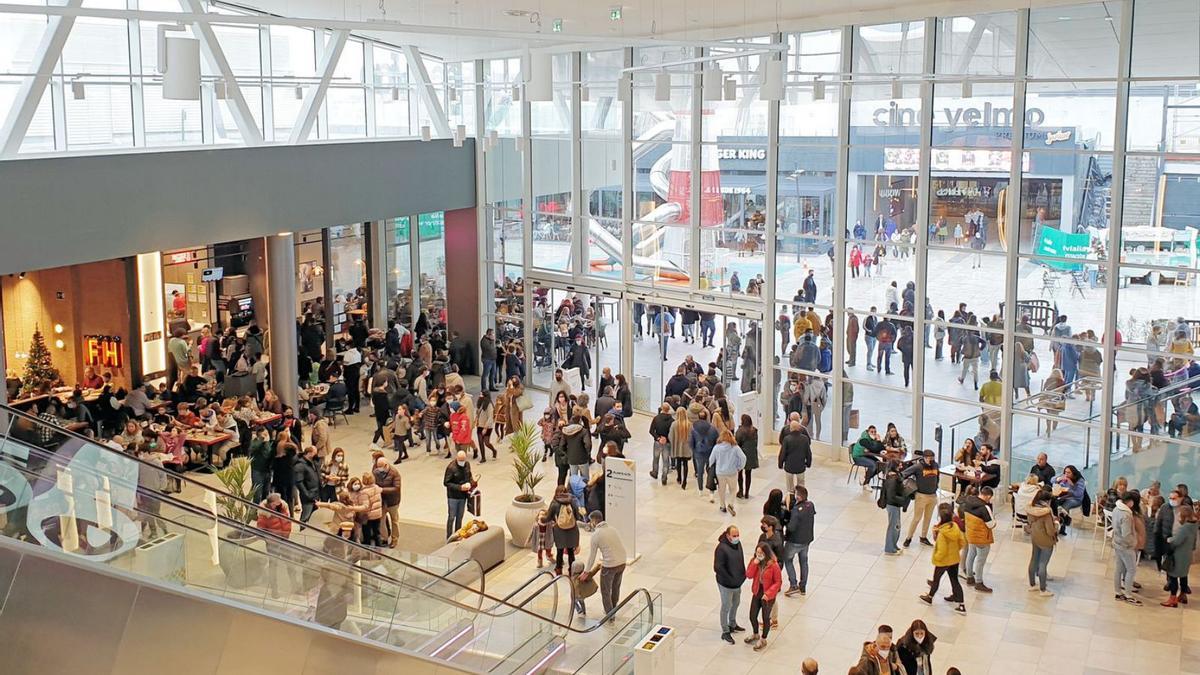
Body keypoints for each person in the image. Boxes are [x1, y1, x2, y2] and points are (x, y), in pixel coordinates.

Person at [919, 502, 967, 614]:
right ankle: (961, 604)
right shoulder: (955, 526)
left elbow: (942, 550)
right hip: (954, 559)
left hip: (944, 561)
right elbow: (962, 542)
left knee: (936, 579)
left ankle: (930, 597)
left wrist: (937, 558)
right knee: (955, 580)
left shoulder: (942, 533)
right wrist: (955, 551)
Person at [580, 511, 627, 617]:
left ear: (593, 520)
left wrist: (586, 572)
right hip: (622, 562)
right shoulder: (613, 529)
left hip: (610, 565)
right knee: (616, 587)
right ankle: (613, 608)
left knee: (605, 590)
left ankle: (609, 615)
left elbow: (592, 556)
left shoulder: (596, 535)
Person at [743, 541, 781, 651]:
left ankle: (763, 639)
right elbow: (749, 575)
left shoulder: (773, 565)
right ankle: (755, 634)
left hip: (767, 595)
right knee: (752, 615)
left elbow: (778, 582)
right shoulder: (755, 561)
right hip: (757, 591)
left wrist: (768, 594)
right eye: (757, 552)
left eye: (760, 553)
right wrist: (754, 563)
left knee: (765, 618)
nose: (758, 554)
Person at [714, 525, 746, 645]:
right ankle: (725, 630)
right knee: (726, 605)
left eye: (737, 535)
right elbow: (718, 567)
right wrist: (730, 578)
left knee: (736, 603)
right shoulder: (721, 549)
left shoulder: (738, 544)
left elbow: (741, 559)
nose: (736, 538)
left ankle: (732, 623)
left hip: (737, 582)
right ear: (728, 536)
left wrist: (743, 574)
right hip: (726, 583)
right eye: (734, 536)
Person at [902, 450, 940, 548]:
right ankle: (908, 538)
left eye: (932, 458)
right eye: (928, 458)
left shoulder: (936, 465)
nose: (930, 460)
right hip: (921, 496)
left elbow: (937, 477)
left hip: (933, 496)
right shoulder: (918, 466)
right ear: (924, 458)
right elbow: (904, 473)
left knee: (928, 518)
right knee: (917, 518)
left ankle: (923, 537)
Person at [962, 486, 996, 592]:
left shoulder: (968, 501)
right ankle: (979, 582)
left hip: (970, 534)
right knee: (980, 561)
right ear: (988, 496)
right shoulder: (984, 508)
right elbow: (991, 524)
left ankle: (969, 577)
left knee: (971, 555)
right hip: (981, 538)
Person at [1161, 504, 1197, 607]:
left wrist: (1169, 540)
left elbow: (1176, 542)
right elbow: (1194, 542)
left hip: (1178, 556)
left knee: (1173, 577)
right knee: (1183, 576)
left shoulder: (1184, 528)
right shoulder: (1194, 526)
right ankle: (1183, 595)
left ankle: (1172, 599)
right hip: (1187, 555)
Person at [782, 485, 815, 596]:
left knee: (788, 560)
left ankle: (793, 584)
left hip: (794, 540)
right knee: (804, 562)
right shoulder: (810, 505)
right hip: (806, 540)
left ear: (798, 497)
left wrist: (786, 520)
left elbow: (791, 527)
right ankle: (803, 586)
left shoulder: (796, 510)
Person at [1111, 490, 1143, 605]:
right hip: (1126, 546)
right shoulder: (1126, 514)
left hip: (1117, 543)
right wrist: (1133, 543)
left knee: (1119, 569)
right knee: (1131, 570)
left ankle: (1118, 592)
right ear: (1131, 502)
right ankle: (1128, 595)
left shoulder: (1116, 509)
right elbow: (1126, 534)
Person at [1026, 488, 1059, 596]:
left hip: (1035, 536)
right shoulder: (1046, 513)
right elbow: (1050, 531)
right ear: (1047, 501)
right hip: (1046, 540)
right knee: (1043, 564)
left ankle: (1032, 585)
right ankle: (1043, 590)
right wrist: (1057, 526)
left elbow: (1030, 522)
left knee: (1034, 560)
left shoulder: (1031, 508)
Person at [710, 429, 746, 515]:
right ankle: (731, 504)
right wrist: (740, 467)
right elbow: (743, 457)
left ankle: (722, 506)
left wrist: (710, 468)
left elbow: (711, 459)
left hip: (720, 472)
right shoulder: (735, 448)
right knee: (733, 490)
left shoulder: (716, 447)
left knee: (721, 490)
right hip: (732, 472)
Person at [547, 484, 581, 576]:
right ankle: (572, 570)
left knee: (560, 551)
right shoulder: (572, 501)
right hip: (572, 529)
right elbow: (577, 516)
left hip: (559, 530)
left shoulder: (554, 503)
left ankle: (558, 570)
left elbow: (548, 517)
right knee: (571, 551)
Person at [373, 456, 402, 548]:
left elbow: (396, 488)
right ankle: (384, 538)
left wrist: (382, 490)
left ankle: (395, 539)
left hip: (393, 501)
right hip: (382, 501)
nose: (379, 469)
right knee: (381, 520)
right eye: (378, 466)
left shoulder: (394, 473)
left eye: (380, 466)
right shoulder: (376, 472)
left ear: (386, 465)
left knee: (394, 520)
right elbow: (373, 482)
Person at [443, 450, 473, 539]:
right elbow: (446, 483)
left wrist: (470, 482)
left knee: (460, 517)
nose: (462, 462)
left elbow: (469, 476)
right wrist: (460, 487)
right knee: (452, 517)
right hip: (453, 497)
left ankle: (457, 535)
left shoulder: (467, 465)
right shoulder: (451, 468)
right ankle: (449, 536)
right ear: (457, 458)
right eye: (461, 460)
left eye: (463, 460)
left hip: (463, 496)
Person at [690, 409, 719, 500]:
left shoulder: (694, 429)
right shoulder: (712, 429)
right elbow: (717, 441)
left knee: (700, 472)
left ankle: (700, 490)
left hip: (699, 453)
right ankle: (711, 491)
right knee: (711, 471)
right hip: (710, 452)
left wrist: (694, 451)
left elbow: (691, 442)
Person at [778, 419, 812, 493]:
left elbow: (782, 453)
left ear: (790, 429)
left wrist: (780, 464)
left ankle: (790, 500)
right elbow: (808, 453)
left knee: (789, 488)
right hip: (801, 466)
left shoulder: (787, 439)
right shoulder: (805, 439)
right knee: (801, 485)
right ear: (799, 428)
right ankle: (801, 499)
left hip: (789, 466)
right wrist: (808, 463)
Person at [1054, 465, 1086, 535]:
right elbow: (1052, 480)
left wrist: (1071, 486)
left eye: (1069, 473)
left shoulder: (1080, 480)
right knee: (1054, 502)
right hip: (1064, 497)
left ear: (1073, 473)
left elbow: (1079, 494)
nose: (1066, 474)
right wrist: (1058, 479)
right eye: (1065, 472)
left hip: (1076, 499)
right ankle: (1061, 522)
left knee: (1065, 506)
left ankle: (1061, 527)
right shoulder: (1064, 476)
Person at [293, 445, 321, 523]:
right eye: (315, 453)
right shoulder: (300, 465)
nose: (316, 455)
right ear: (309, 453)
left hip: (315, 493)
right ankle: (302, 531)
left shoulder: (312, 462)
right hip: (308, 495)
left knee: (313, 516)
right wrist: (307, 494)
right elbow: (299, 482)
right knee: (306, 515)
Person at [735, 414, 759, 499]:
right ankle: (747, 493)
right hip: (751, 455)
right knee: (748, 474)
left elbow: (737, 443)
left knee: (740, 474)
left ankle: (740, 491)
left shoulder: (740, 431)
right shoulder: (754, 431)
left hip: (742, 455)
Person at [669, 407, 693, 489]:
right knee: (685, 464)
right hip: (686, 447)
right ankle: (685, 481)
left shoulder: (674, 424)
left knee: (678, 462)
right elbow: (692, 437)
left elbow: (671, 436)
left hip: (677, 447)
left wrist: (672, 443)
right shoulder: (689, 424)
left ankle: (679, 477)